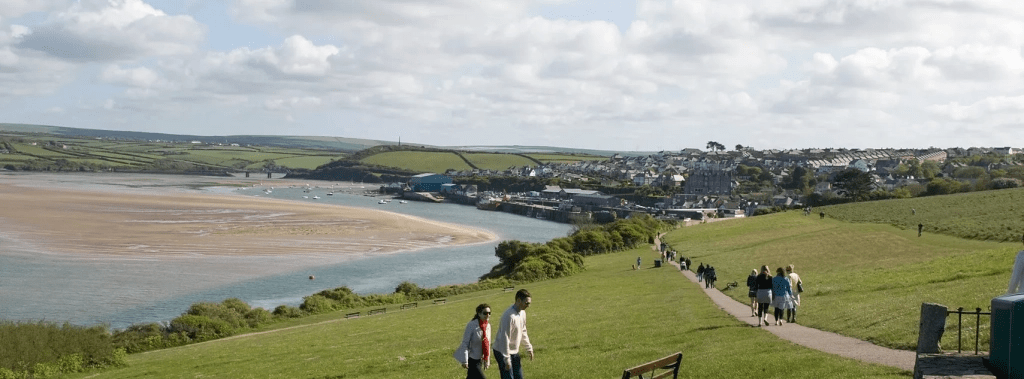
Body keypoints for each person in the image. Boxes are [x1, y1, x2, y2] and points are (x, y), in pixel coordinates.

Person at [494, 289, 533, 379]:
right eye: (526, 303)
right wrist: (507, 359)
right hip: (502, 351)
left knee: (519, 376)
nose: (528, 306)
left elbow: (523, 331)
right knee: (508, 377)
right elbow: (505, 338)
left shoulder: (522, 313)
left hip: (513, 350)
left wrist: (528, 347)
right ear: (518, 300)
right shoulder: (509, 316)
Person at [454, 303, 492, 379]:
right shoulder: (471, 325)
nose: (487, 315)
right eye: (485, 313)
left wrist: (487, 359)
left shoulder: (488, 326)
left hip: (480, 359)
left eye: (489, 313)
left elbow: (488, 343)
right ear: (479, 314)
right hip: (472, 359)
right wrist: (465, 361)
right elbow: (465, 343)